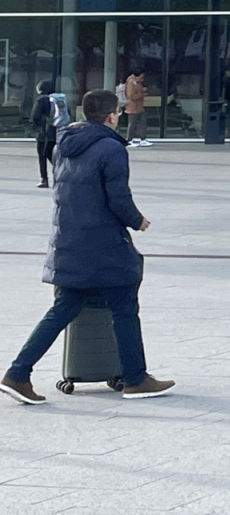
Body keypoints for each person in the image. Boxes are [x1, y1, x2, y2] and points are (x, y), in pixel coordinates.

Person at [2, 89, 174, 404]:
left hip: (68, 241)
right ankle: (135, 379)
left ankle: (18, 373)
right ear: (111, 116)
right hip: (103, 243)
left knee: (64, 307)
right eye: (118, 112)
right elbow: (118, 197)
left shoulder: (63, 145)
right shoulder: (111, 148)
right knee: (123, 306)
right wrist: (137, 221)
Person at [30, 80, 58, 188]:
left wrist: (35, 129)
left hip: (44, 133)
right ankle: (60, 174)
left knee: (42, 156)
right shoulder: (58, 100)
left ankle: (44, 179)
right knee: (53, 156)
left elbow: (35, 116)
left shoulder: (41, 100)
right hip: (56, 132)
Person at [122, 70, 152, 148]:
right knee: (132, 124)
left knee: (143, 123)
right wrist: (141, 94)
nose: (142, 79)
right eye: (141, 77)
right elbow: (131, 95)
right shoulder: (131, 82)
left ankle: (143, 138)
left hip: (139, 107)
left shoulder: (137, 83)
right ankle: (129, 140)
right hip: (133, 107)